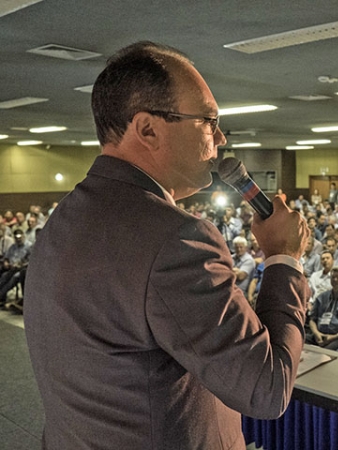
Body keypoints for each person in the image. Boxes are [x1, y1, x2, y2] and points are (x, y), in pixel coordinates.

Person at [24, 42, 311, 450]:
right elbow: (267, 389)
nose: (221, 137)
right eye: (209, 121)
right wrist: (284, 258)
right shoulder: (176, 240)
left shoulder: (65, 219)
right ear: (147, 129)